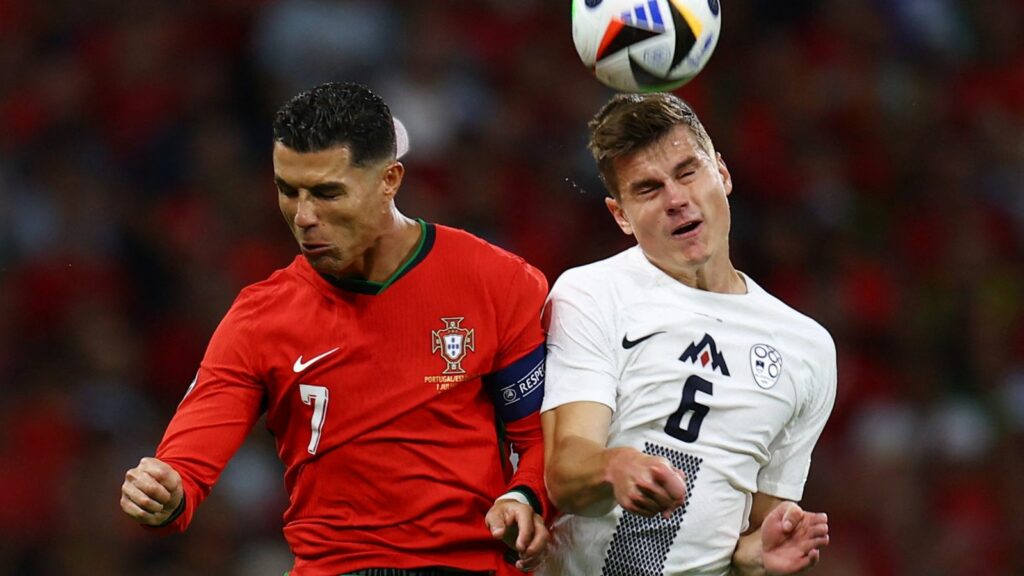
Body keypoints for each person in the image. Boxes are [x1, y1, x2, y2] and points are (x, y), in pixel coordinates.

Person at [120, 81, 551, 576]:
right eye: (288, 191)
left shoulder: (496, 281)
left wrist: (526, 495)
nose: (304, 217)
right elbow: (186, 469)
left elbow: (540, 438)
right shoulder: (260, 317)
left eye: (327, 193)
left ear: (390, 180)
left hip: (469, 565)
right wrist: (163, 492)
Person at [538, 92, 836, 576]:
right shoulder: (591, 293)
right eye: (648, 189)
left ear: (722, 173)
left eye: (687, 172)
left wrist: (758, 556)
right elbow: (566, 472)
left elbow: (756, 534)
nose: (676, 200)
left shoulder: (807, 348)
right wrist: (614, 467)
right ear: (620, 216)